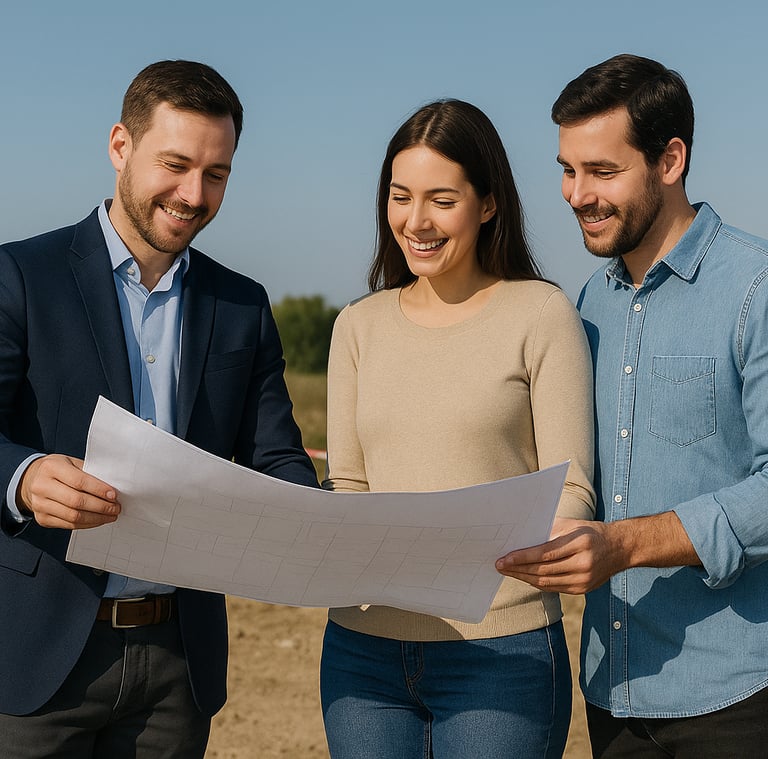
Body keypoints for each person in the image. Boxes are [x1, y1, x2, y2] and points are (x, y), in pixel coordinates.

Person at [0, 60, 318, 758]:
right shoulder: (21, 275)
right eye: (175, 164)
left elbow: (275, 455)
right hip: (36, 657)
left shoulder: (242, 305)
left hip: (179, 661)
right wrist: (22, 477)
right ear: (120, 146)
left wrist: (323, 521)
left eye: (217, 174)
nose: (193, 193)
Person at [496, 53, 768, 757]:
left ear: (670, 159)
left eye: (602, 172)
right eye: (567, 168)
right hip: (609, 691)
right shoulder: (585, 307)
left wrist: (622, 545)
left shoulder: (755, 289)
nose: (575, 193)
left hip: (737, 695)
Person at [320, 99, 595, 759]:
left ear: (488, 204)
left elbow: (573, 488)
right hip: (362, 653)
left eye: (442, 199)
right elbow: (352, 485)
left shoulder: (543, 313)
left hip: (500, 649)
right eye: (400, 196)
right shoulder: (356, 326)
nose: (417, 221)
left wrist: (552, 541)